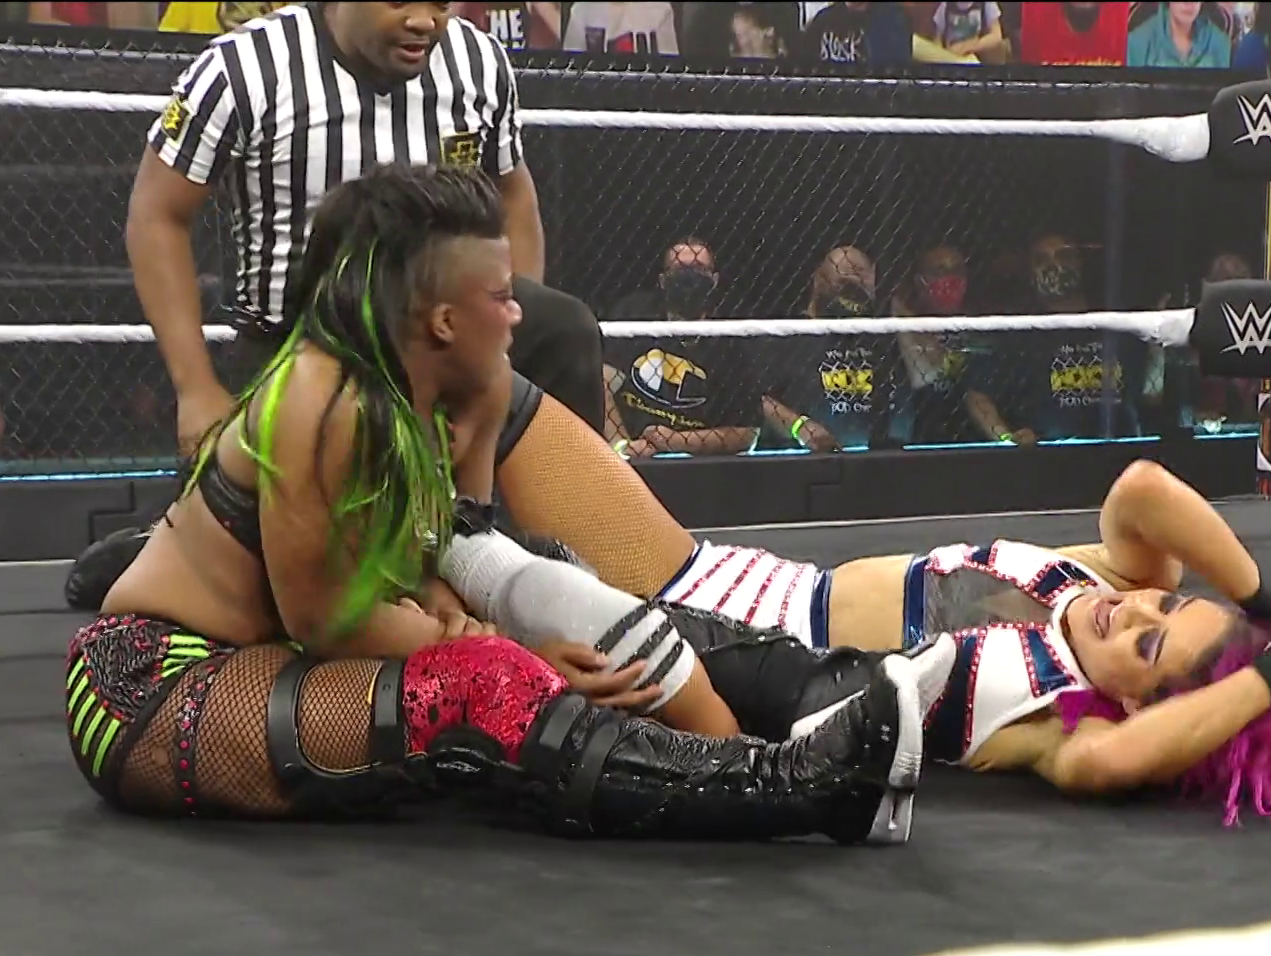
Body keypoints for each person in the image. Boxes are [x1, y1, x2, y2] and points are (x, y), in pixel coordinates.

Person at [66, 162, 936, 845]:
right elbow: (329, 621)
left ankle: (837, 690)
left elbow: (442, 561)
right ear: (443, 321)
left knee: (557, 586)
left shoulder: (435, 392)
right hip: (156, 685)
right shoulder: (320, 399)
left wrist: (506, 621)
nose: (521, 314)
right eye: (501, 296)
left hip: (282, 649)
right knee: (487, 684)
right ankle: (798, 787)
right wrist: (514, 653)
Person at [479, 453, 1271, 826]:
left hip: (715, 657)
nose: (1138, 613)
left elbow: (1117, 764)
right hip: (728, 570)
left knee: (473, 569)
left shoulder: (1061, 725)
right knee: (504, 397)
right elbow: (1144, 489)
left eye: (1149, 647)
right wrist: (1269, 604)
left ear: (1135, 701)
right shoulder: (1103, 584)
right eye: (1161, 606)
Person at [65, 1, 608, 610]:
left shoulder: (477, 62)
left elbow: (513, 194)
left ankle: (564, 551)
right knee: (295, 583)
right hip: (301, 346)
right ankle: (187, 533)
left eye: (440, 2)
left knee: (561, 328)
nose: (425, 21)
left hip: (438, 339)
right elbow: (157, 213)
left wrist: (496, 319)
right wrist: (195, 388)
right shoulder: (245, 66)